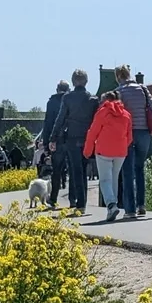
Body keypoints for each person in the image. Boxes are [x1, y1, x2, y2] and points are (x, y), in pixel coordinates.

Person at [114, 64, 152, 219]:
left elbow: (117, 114)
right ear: (129, 74)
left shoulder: (119, 92)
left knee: (127, 171)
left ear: (118, 77)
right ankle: (141, 205)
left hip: (127, 134)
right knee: (139, 168)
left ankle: (129, 210)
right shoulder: (142, 89)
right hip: (144, 133)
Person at [49, 70, 98, 214]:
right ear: (86, 81)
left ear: (73, 81)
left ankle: (80, 204)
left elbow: (60, 118)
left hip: (72, 138)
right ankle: (83, 202)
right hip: (88, 138)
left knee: (76, 170)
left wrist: (53, 138)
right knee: (84, 168)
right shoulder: (93, 99)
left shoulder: (67, 98)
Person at [82, 90, 133, 223]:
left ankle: (111, 205)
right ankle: (113, 206)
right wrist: (122, 147)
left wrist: (87, 151)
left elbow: (92, 132)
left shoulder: (102, 112)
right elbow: (129, 136)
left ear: (105, 100)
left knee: (105, 180)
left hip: (103, 150)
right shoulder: (126, 115)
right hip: (121, 151)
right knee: (114, 179)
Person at [40, 79, 70, 202]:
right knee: (73, 169)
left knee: (56, 170)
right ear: (68, 89)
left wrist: (46, 143)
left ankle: (53, 198)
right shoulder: (71, 100)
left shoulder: (51, 102)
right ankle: (73, 200)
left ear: (57, 89)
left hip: (56, 140)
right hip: (70, 138)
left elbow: (47, 123)